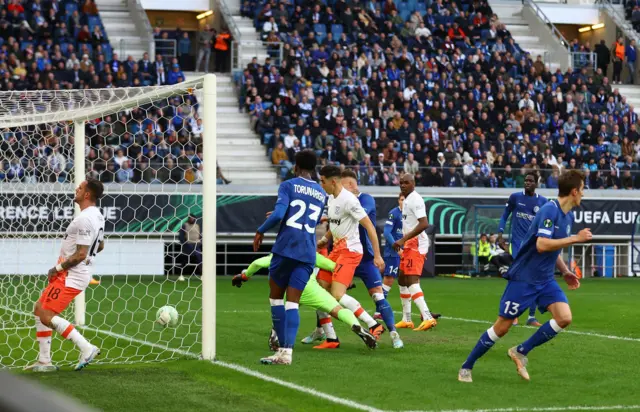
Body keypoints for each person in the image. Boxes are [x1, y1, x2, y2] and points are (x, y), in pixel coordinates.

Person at [458, 170, 591, 383]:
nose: (584, 194)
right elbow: (541, 244)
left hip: (545, 278)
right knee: (503, 326)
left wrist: (565, 270)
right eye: (582, 190)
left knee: (564, 318)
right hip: (525, 278)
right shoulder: (549, 209)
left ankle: (520, 351)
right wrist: (575, 238)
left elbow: (554, 248)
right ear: (574, 191)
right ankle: (467, 366)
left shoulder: (568, 216)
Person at [253, 150, 326, 365]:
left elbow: (278, 214)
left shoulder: (288, 185)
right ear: (313, 169)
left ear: (295, 167)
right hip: (307, 252)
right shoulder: (321, 193)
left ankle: (280, 350)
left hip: (285, 249)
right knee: (292, 303)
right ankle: (286, 354)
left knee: (276, 298)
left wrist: (260, 230)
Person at [26, 179, 105, 372]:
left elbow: (80, 254)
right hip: (74, 273)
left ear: (87, 194)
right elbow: (100, 245)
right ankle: (44, 362)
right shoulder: (97, 216)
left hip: (71, 275)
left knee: (46, 314)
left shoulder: (85, 218)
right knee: (39, 308)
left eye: (80, 188)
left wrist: (58, 268)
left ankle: (86, 348)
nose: (76, 189)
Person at [232, 253, 377, 350]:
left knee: (280, 311)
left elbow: (257, 263)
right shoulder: (311, 253)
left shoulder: (281, 252)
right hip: (310, 288)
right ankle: (356, 325)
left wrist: (244, 276)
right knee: (337, 309)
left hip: (290, 290)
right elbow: (334, 266)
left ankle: (275, 337)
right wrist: (345, 281)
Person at [316, 165, 385, 346]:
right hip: (336, 250)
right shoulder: (330, 198)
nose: (320, 184)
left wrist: (377, 255)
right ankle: (331, 337)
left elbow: (370, 227)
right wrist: (325, 238)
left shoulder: (350, 201)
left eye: (322, 181)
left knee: (337, 294)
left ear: (332, 182)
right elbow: (335, 223)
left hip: (350, 251)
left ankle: (373, 324)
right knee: (318, 288)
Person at [339, 169, 403, 348]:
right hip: (345, 256)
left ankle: (393, 333)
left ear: (351, 185)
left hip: (366, 259)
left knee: (378, 297)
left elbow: (359, 215)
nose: (339, 189)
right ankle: (324, 332)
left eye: (342, 185)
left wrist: (377, 255)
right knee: (325, 289)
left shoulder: (365, 199)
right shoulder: (340, 200)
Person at [497, 172, 548, 327]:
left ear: (536, 183)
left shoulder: (543, 202)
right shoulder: (515, 197)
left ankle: (531, 317)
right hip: (518, 245)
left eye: (530, 181)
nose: (527, 183)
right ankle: (512, 314)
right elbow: (505, 215)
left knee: (533, 279)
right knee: (517, 278)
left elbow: (546, 223)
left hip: (534, 247)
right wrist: (500, 235)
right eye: (525, 180)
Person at [393, 174, 437, 332]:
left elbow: (424, 223)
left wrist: (403, 240)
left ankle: (427, 317)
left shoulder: (415, 199)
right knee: (402, 279)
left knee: (411, 279)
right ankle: (407, 319)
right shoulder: (407, 200)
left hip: (416, 244)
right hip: (409, 244)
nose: (403, 185)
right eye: (401, 183)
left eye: (406, 182)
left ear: (413, 183)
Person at [178, 214, 202, 280]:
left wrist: (200, 242)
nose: (191, 219)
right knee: (184, 261)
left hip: (196, 245)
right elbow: (181, 236)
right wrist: (184, 244)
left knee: (199, 260)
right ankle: (181, 275)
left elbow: (200, 235)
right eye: (190, 218)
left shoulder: (197, 226)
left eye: (192, 218)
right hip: (188, 245)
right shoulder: (185, 225)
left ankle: (202, 275)